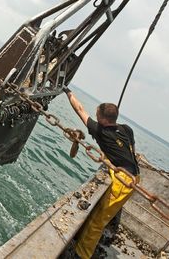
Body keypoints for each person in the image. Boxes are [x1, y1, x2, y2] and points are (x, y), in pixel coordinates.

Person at [62, 86, 140, 259]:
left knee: (98, 222)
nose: (95, 117)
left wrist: (68, 92)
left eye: (98, 115)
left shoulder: (100, 130)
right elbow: (132, 151)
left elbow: (79, 109)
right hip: (135, 176)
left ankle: (81, 255)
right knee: (99, 216)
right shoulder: (127, 129)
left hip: (124, 182)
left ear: (104, 120)